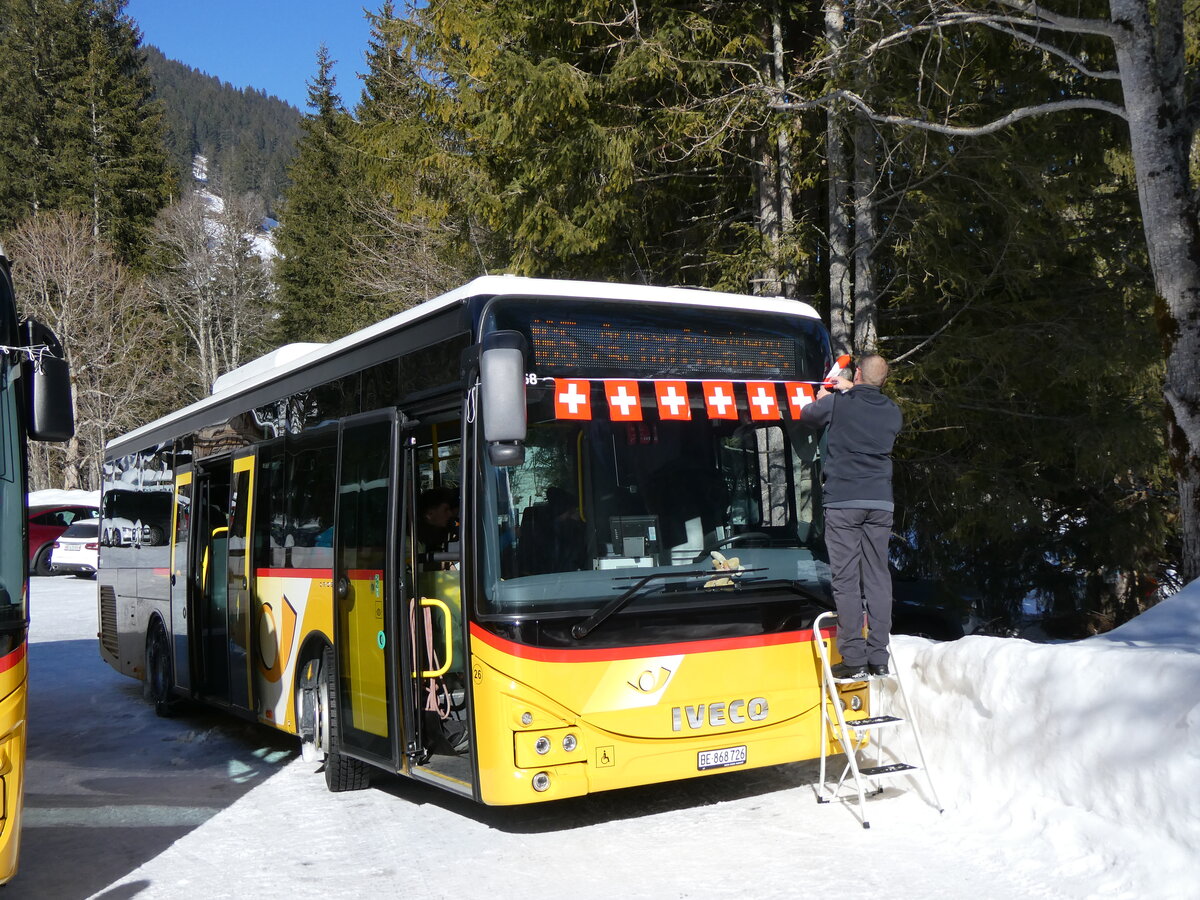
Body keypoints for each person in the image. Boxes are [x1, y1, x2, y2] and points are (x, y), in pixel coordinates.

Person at [803, 354, 902, 680]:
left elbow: (808, 415)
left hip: (844, 501)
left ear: (856, 372)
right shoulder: (892, 412)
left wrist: (825, 397)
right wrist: (848, 390)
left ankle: (854, 658)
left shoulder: (837, 404)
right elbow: (866, 401)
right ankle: (879, 656)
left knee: (846, 579)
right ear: (883, 381)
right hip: (880, 502)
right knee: (877, 576)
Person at [416, 486, 458, 555]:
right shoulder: (413, 545)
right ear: (430, 514)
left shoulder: (440, 535)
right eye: (446, 510)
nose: (450, 514)